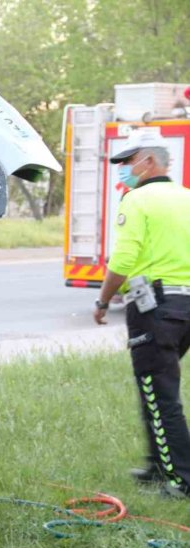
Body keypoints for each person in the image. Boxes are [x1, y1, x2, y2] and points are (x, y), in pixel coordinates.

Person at [94, 129, 190, 499]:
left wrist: (103, 301)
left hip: (156, 308)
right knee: (155, 388)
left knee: (160, 393)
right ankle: (157, 465)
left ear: (149, 161)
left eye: (128, 161)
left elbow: (123, 260)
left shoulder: (137, 200)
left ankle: (180, 480)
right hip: (184, 308)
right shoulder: (185, 197)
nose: (123, 169)